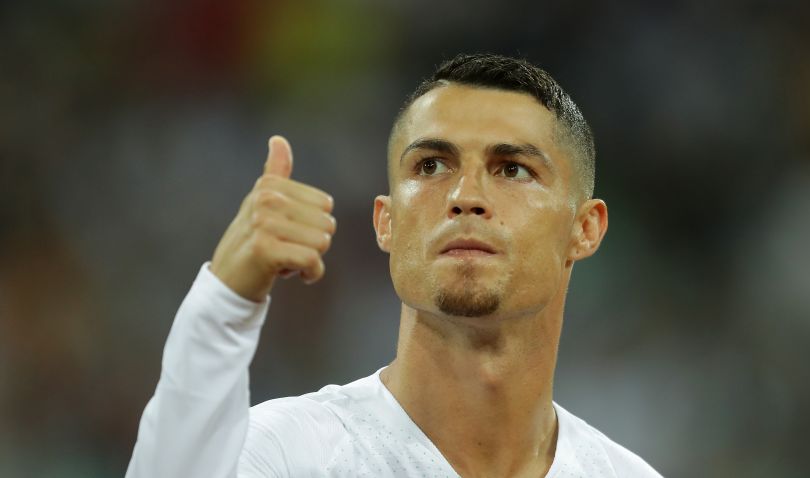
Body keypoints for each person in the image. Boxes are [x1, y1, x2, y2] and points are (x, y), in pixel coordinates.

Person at [126, 53, 662, 477]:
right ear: (386, 221)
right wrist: (225, 304)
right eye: (431, 165)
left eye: (513, 169)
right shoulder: (288, 456)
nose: (465, 195)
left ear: (585, 228)